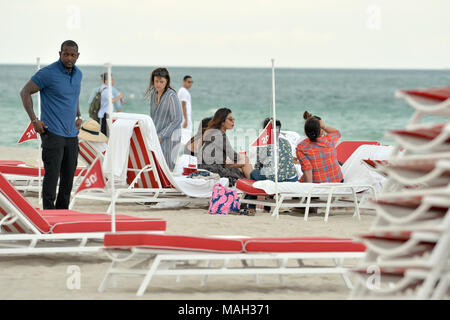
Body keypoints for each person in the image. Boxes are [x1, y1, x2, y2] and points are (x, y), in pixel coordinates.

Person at [19, 40, 82, 210]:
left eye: (72, 55)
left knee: (68, 178)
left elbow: (74, 97)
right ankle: (48, 212)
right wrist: (34, 120)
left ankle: (62, 213)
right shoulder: (48, 73)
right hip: (52, 132)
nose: (69, 58)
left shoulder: (78, 74)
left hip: (71, 134)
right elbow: (25, 92)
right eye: (65, 54)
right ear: (60, 53)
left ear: (77, 56)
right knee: (52, 176)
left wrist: (79, 115)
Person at [245, 117, 299, 214]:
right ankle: (266, 208)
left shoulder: (263, 145)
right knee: (269, 173)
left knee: (254, 173)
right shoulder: (286, 142)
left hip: (276, 178)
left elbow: (259, 166)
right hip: (291, 178)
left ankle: (252, 206)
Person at [198, 108, 253, 186]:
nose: (233, 121)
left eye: (233, 118)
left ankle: (251, 186)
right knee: (245, 160)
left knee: (241, 167)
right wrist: (243, 156)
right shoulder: (219, 135)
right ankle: (253, 187)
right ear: (222, 122)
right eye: (230, 119)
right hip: (213, 169)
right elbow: (233, 157)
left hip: (205, 166)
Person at [146, 67, 183, 171]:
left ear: (167, 81)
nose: (158, 84)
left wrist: (161, 135)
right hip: (156, 135)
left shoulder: (171, 96)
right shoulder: (153, 94)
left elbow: (177, 119)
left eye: (161, 82)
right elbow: (153, 117)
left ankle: (167, 186)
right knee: (156, 165)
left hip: (171, 137)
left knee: (167, 167)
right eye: (156, 81)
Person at [296, 111, 343, 183]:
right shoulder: (329, 140)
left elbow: (308, 171)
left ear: (305, 131)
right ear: (321, 130)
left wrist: (307, 191)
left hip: (318, 186)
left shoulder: (301, 148)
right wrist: (324, 126)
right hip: (337, 181)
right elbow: (337, 133)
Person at [178, 75, 193, 145]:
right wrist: (186, 120)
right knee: (185, 138)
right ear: (184, 82)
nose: (190, 84)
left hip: (185, 117)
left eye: (191, 82)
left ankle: (185, 154)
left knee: (185, 137)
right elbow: (183, 105)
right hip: (184, 117)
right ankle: (185, 154)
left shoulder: (184, 91)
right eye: (188, 82)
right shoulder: (183, 91)